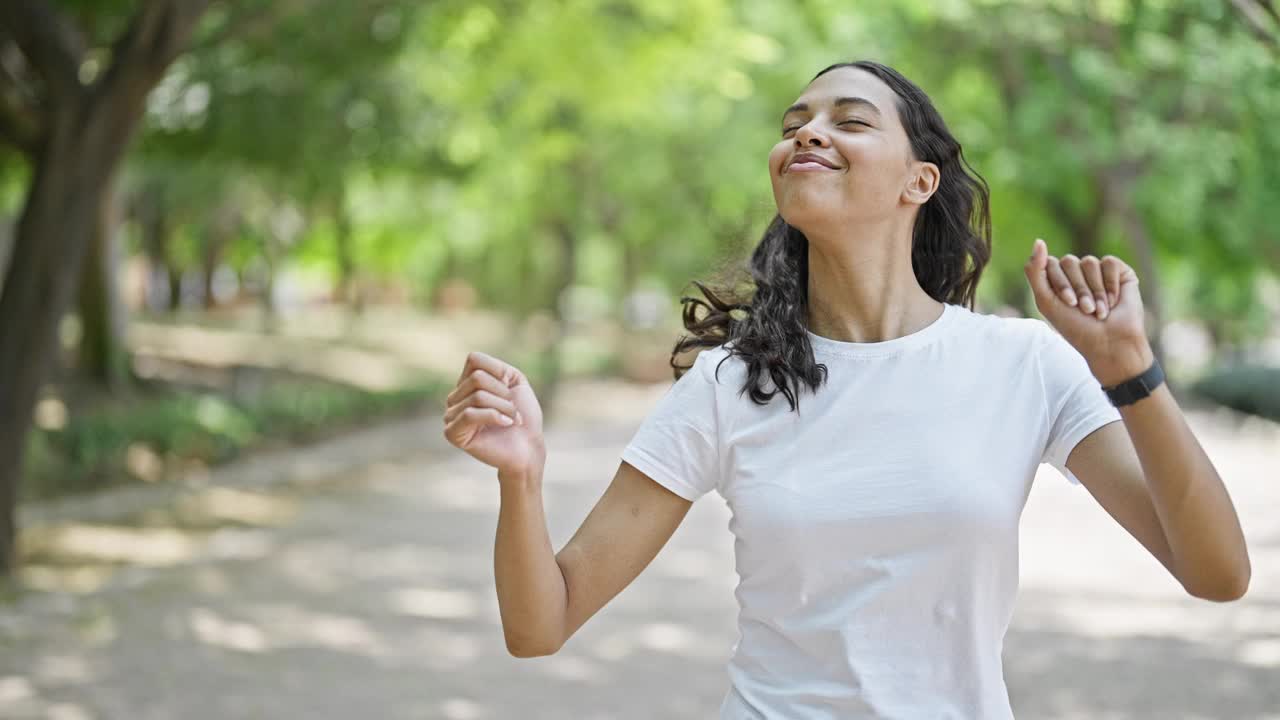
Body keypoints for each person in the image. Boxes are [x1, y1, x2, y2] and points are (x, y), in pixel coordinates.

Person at [441, 60, 1251, 719]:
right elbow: (540, 625)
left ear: (919, 182)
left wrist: (1131, 373)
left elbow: (1216, 572)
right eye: (793, 126)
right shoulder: (730, 385)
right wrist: (522, 477)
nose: (808, 134)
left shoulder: (1023, 364)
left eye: (849, 120)